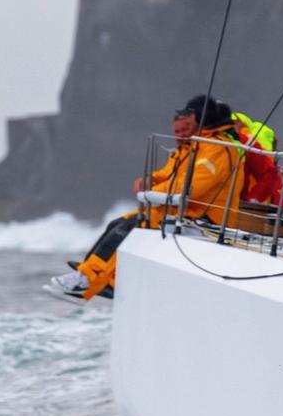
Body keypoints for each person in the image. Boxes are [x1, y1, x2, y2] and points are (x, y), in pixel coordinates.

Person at [48, 97, 248, 302]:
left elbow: (191, 187)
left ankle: (87, 281)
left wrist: (155, 192)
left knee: (128, 228)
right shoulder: (198, 147)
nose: (182, 132)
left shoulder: (218, 149)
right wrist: (150, 180)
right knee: (118, 223)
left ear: (201, 119)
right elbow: (172, 173)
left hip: (206, 219)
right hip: (186, 212)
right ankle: (98, 277)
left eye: (190, 119)